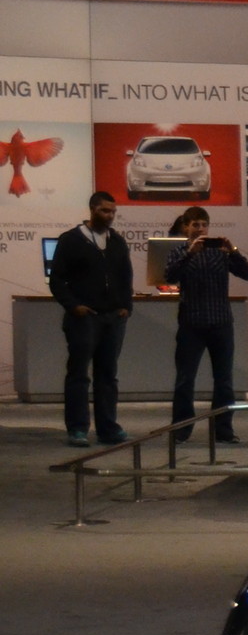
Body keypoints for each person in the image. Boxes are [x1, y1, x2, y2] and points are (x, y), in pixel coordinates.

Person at [50, 191, 133, 448]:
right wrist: (74, 306)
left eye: (113, 212)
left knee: (108, 375)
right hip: (84, 318)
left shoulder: (117, 242)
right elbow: (57, 280)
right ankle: (77, 429)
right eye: (105, 211)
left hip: (113, 318)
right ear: (92, 209)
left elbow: (125, 277)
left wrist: (125, 307)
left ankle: (108, 427)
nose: (109, 216)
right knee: (78, 375)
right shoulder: (71, 240)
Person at [164, 205, 248, 444]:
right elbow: (169, 277)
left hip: (221, 323)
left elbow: (247, 274)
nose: (200, 229)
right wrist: (189, 253)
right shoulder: (179, 251)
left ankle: (223, 430)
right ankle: (182, 429)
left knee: (224, 381)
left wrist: (232, 250)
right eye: (195, 225)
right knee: (185, 380)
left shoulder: (221, 253)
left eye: (204, 225)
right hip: (191, 324)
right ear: (186, 227)